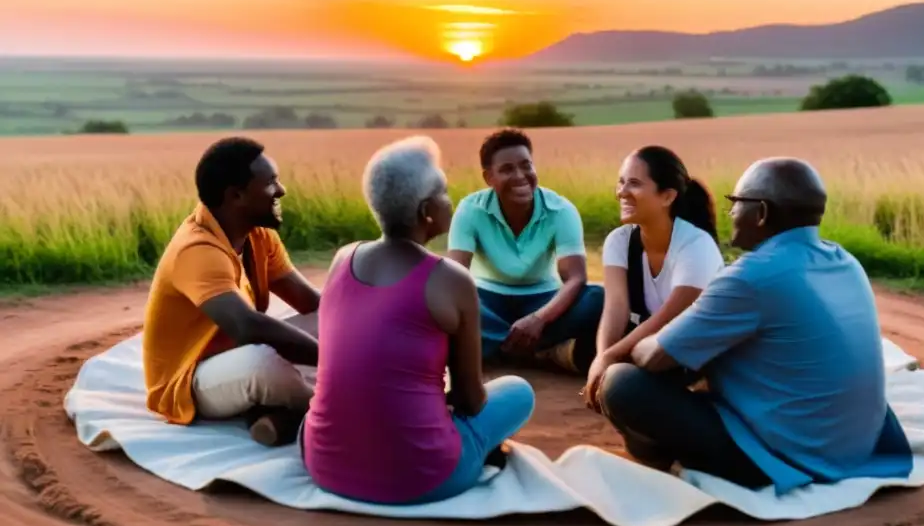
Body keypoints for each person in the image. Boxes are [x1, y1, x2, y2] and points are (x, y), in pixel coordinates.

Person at [595, 157, 914, 494]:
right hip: (858, 443)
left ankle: (681, 460)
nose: (731, 212)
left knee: (622, 383)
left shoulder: (750, 277)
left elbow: (654, 356)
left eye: (736, 203)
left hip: (791, 455)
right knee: (707, 350)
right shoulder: (845, 260)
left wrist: (636, 346)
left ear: (760, 213)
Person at [301, 136, 535, 506]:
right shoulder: (452, 280)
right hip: (422, 477)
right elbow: (470, 401)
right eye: (443, 192)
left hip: (324, 464)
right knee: (519, 392)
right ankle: (467, 455)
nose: (450, 199)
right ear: (427, 211)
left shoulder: (342, 259)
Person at [142, 137, 321, 447]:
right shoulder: (196, 249)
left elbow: (310, 303)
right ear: (236, 195)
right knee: (261, 364)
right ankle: (339, 406)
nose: (281, 191)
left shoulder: (259, 235)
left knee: (330, 317)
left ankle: (283, 415)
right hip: (191, 380)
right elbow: (247, 326)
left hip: (231, 356)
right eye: (270, 184)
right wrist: (334, 358)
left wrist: (363, 331)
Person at [446, 128, 604, 373]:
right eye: (507, 169)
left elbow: (575, 278)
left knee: (597, 297)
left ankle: (493, 347)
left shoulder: (560, 210)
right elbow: (455, 276)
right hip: (486, 300)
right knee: (445, 302)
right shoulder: (470, 209)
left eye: (526, 165)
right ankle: (541, 351)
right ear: (489, 178)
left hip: (543, 300)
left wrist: (539, 319)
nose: (520, 176)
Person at [581, 146, 724, 402]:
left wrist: (612, 359)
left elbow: (672, 317)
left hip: (692, 351)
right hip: (651, 346)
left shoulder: (696, 245)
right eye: (621, 182)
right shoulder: (619, 241)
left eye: (634, 184)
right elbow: (616, 308)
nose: (622, 192)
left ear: (667, 196)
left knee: (624, 384)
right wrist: (602, 358)